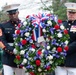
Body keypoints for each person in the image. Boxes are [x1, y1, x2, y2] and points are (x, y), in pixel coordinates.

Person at [0, 4, 29, 75]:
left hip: (21, 57)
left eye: (14, 13)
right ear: (8, 15)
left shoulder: (24, 25)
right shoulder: (3, 26)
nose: (13, 15)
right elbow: (2, 41)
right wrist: (11, 50)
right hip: (8, 57)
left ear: (18, 13)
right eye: (10, 14)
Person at [55, 2, 76, 75]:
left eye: (73, 13)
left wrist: (67, 48)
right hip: (61, 61)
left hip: (73, 61)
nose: (71, 15)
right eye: (69, 13)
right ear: (67, 13)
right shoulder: (62, 25)